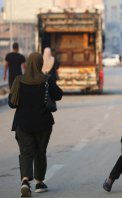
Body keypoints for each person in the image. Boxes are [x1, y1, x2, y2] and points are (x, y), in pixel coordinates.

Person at [8, 52, 63, 197]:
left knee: (26, 152)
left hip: (23, 123)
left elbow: (11, 104)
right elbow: (59, 95)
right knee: (40, 151)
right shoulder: (46, 80)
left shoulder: (19, 80)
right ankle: (39, 182)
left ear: (28, 63)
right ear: (40, 63)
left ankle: (25, 181)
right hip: (43, 124)